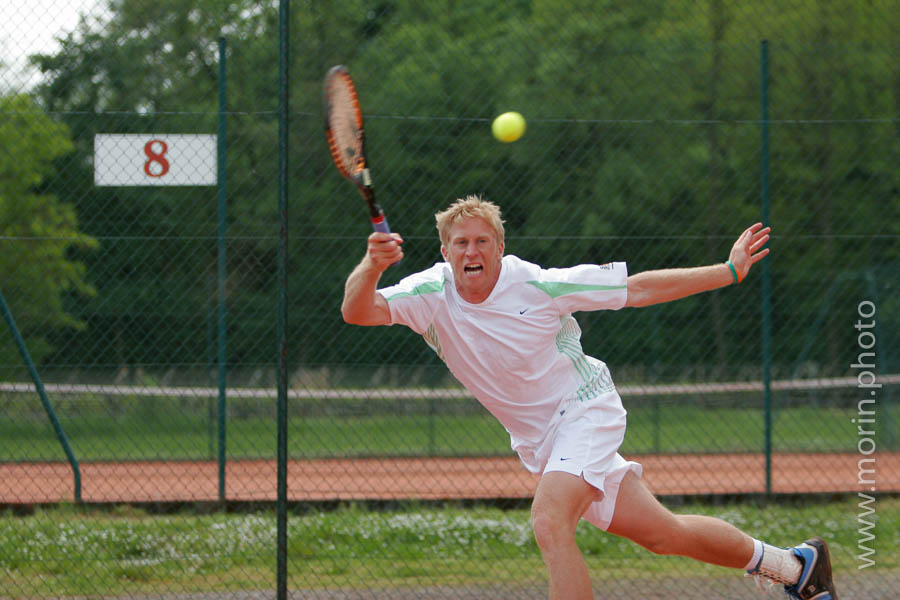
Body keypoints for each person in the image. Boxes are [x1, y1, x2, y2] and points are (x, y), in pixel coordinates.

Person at [341, 195, 838, 600]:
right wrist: (371, 264)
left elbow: (638, 289)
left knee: (549, 519)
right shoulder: (429, 293)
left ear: (499, 247)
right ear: (446, 252)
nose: (472, 251)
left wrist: (726, 271)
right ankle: (795, 568)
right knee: (664, 534)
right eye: (461, 243)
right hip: (541, 442)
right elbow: (358, 311)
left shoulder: (536, 285)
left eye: (482, 241)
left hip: (585, 410)